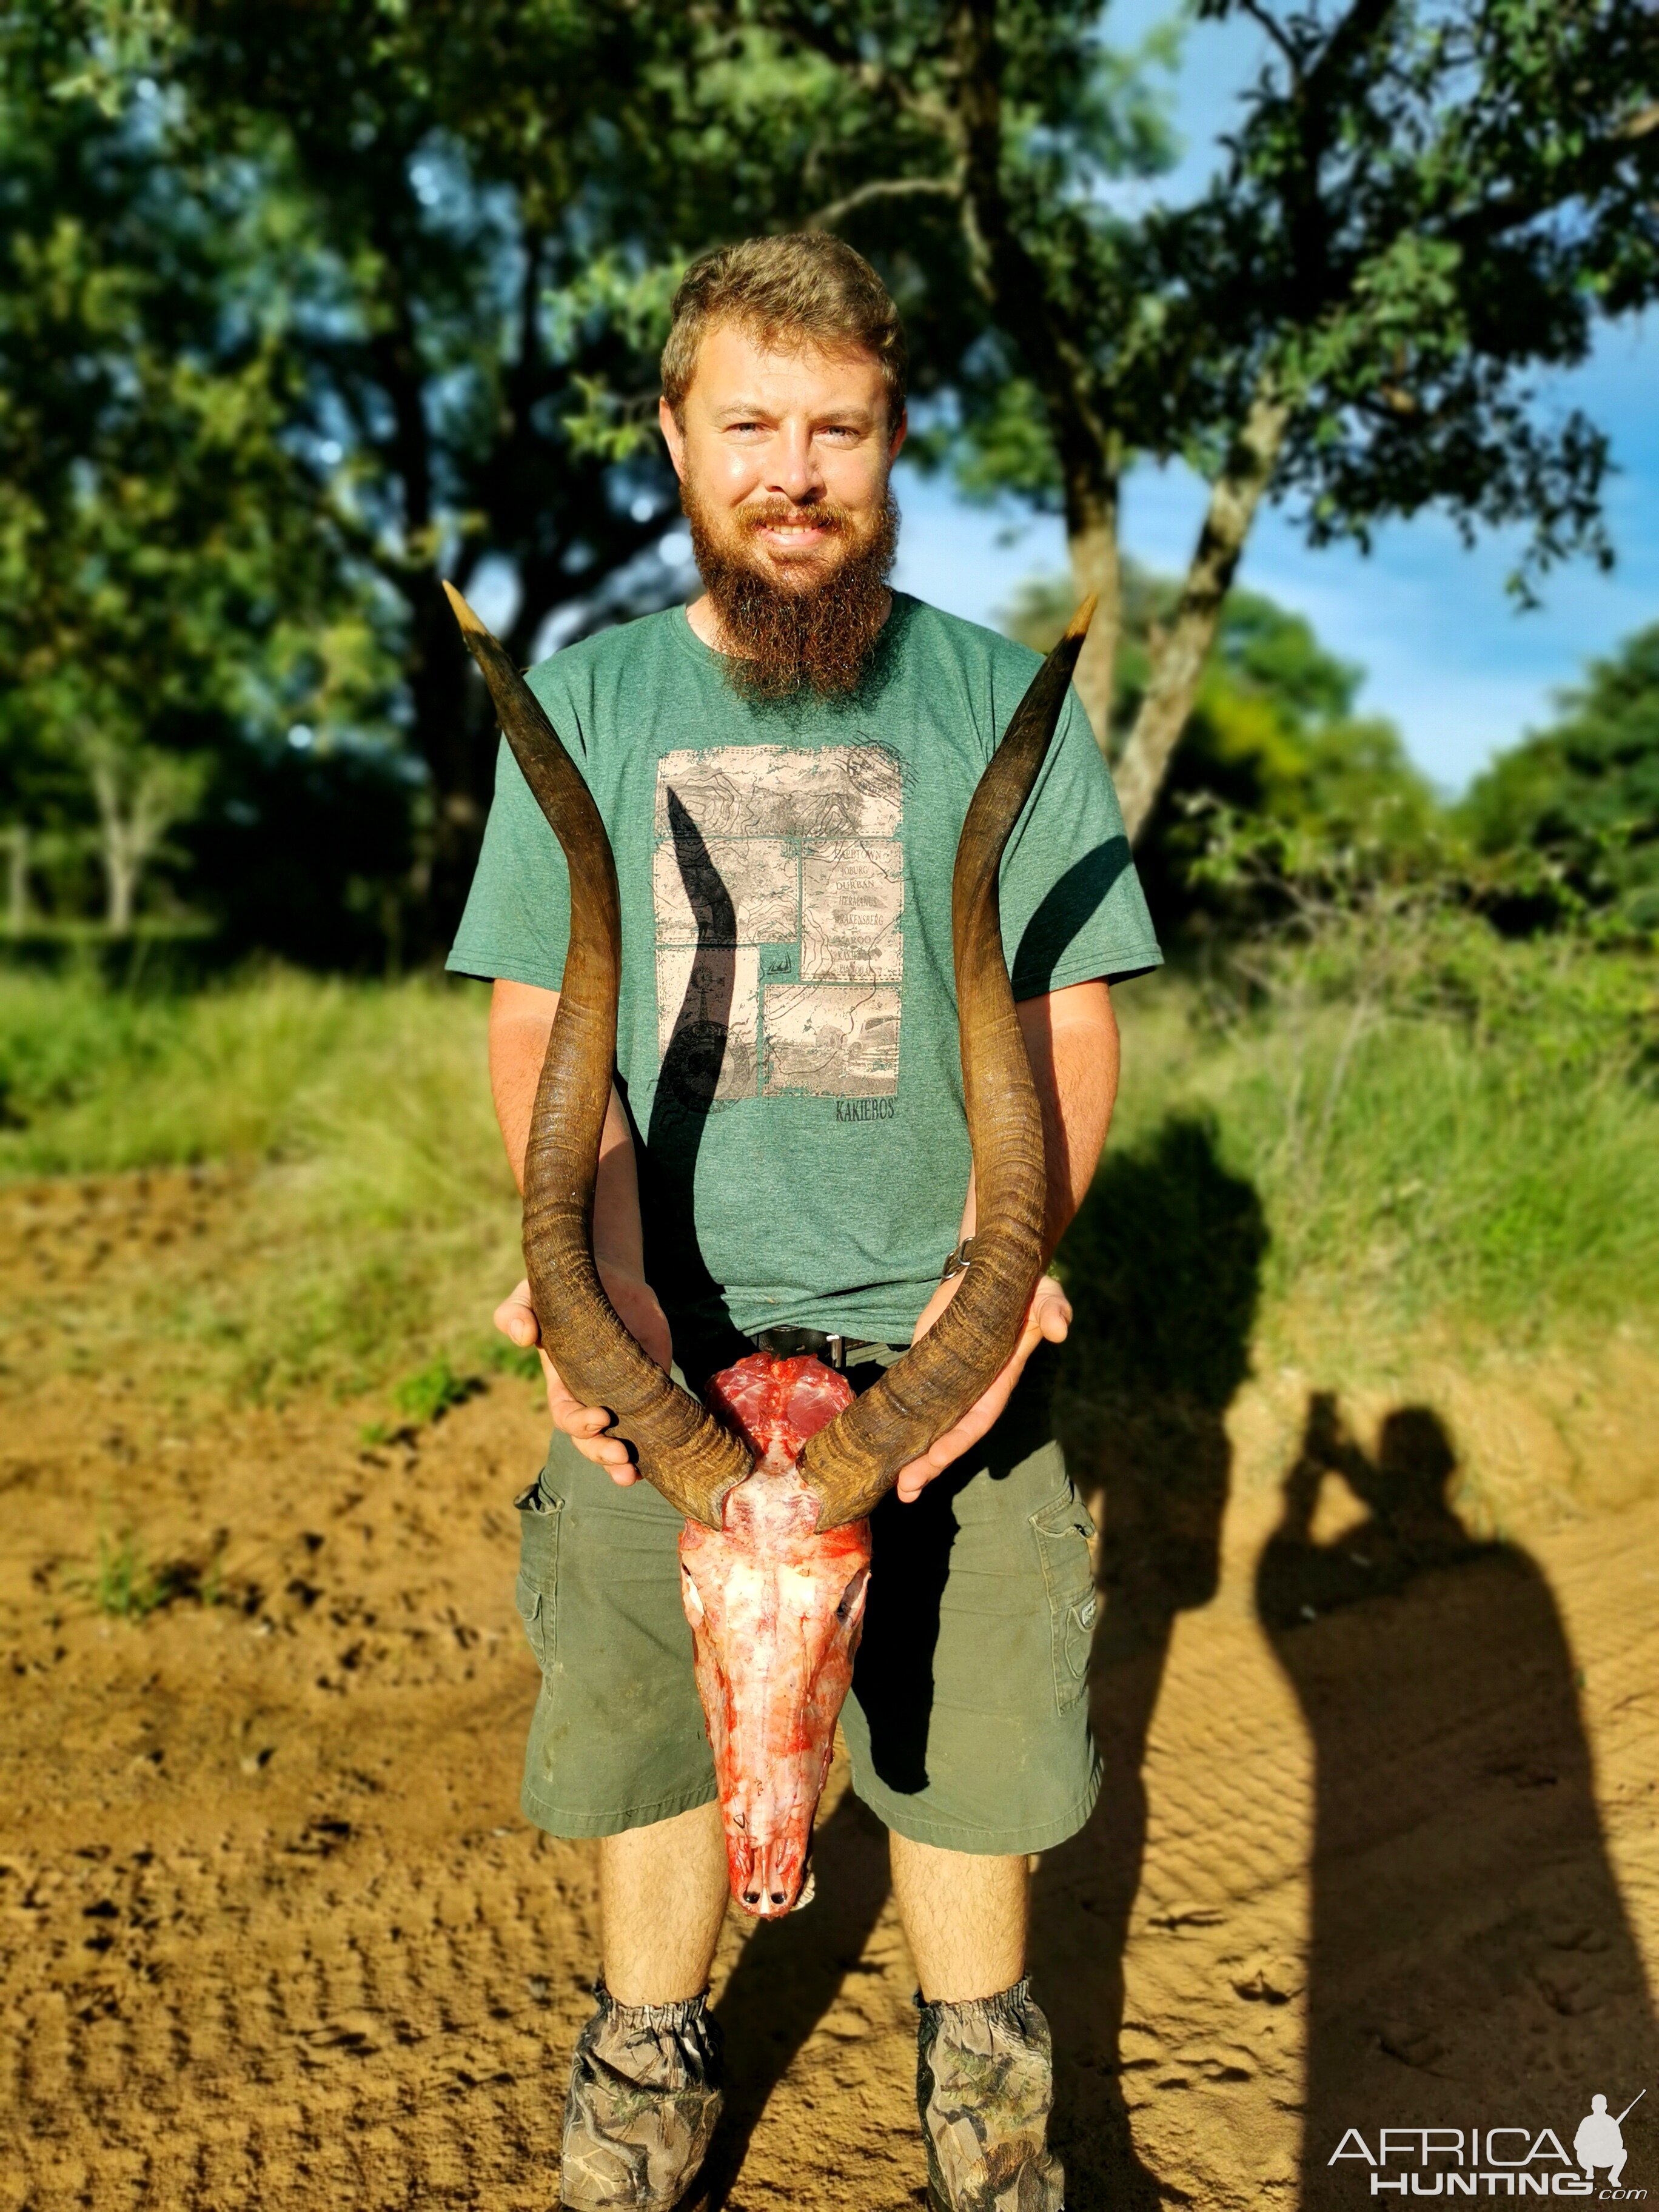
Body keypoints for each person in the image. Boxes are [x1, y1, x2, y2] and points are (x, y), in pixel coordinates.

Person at [447, 233, 1161, 2212]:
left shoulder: (1000, 700)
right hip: (658, 1351)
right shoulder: (587, 702)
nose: (794, 468)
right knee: (655, 1734)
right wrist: (588, 1283)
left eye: (835, 426)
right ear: (674, 439)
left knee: (977, 1736)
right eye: (748, 423)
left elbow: (1064, 1019)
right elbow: (540, 1021)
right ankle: (651, 2066)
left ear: (893, 437)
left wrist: (991, 1294)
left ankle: (986, 2108)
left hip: (936, 1338)